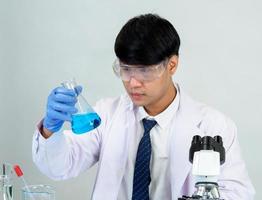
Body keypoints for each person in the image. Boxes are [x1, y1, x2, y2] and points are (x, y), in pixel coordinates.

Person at [32, 14, 255, 200]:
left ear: (172, 65)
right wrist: (50, 130)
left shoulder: (213, 126)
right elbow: (60, 167)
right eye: (126, 69)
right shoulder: (106, 114)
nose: (133, 82)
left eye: (145, 70)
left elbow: (238, 193)